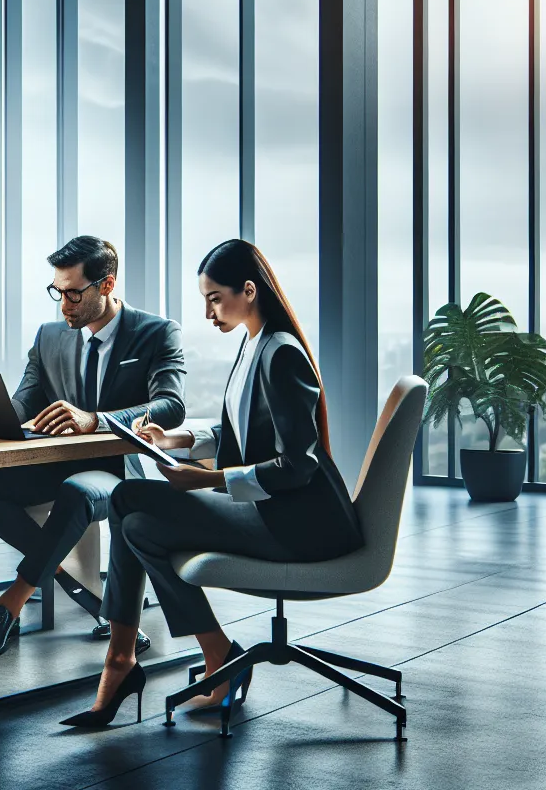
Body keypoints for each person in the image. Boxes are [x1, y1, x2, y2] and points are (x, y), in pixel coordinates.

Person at [61, 239, 362, 727]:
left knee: (128, 496)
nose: (208, 313)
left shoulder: (281, 353)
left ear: (249, 291)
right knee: (137, 525)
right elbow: (241, 430)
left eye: (215, 299)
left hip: (300, 526)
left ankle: (135, 659)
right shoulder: (255, 343)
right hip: (272, 512)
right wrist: (176, 439)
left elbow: (299, 465)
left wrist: (207, 479)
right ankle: (190, 655)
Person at [0, 236, 187, 663]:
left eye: (73, 293)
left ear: (106, 285)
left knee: (77, 492)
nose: (64, 305)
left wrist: (97, 419)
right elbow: (25, 401)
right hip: (56, 461)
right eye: (57, 292)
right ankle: (83, 593)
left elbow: (171, 405)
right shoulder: (50, 336)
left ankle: (10, 604)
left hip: (116, 467)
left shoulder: (156, 332)